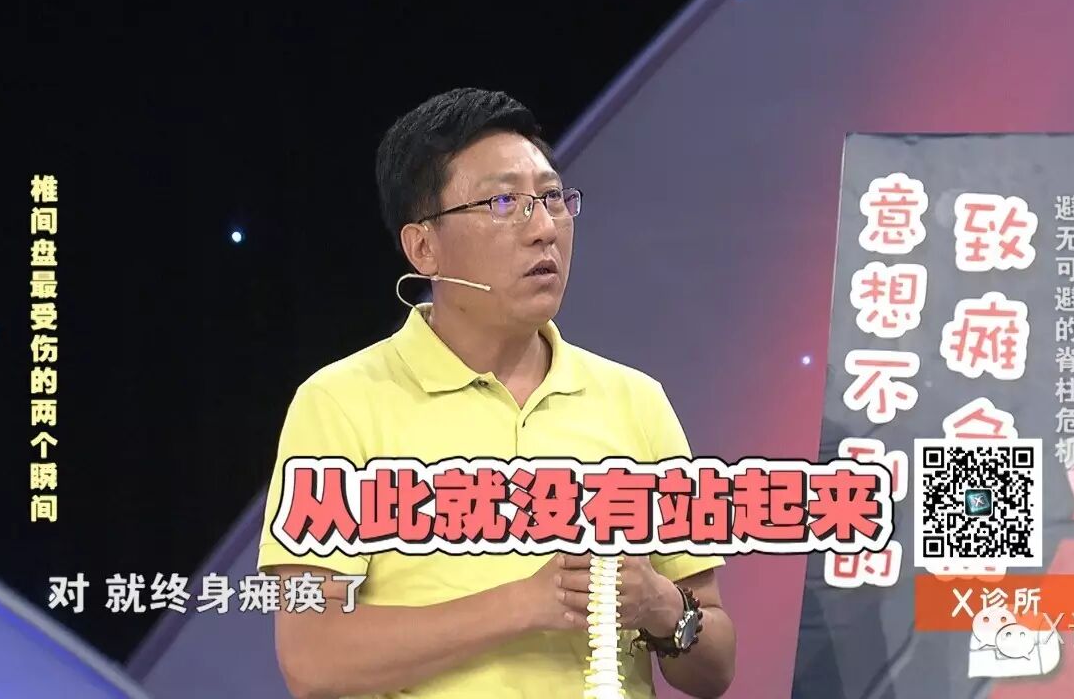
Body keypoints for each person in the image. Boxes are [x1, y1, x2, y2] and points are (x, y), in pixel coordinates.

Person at [256, 88, 736, 699]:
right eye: (504, 202)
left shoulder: (635, 401)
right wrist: (524, 603)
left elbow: (715, 664)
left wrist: (661, 606)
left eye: (553, 198)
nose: (545, 230)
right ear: (424, 247)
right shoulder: (341, 403)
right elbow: (312, 658)